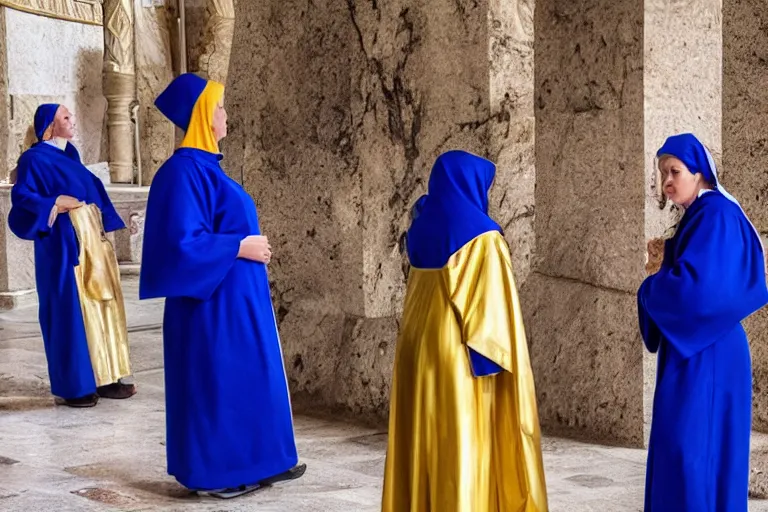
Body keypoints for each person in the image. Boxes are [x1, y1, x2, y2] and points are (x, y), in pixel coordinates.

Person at [139, 73, 305, 499]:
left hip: (238, 301)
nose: (225, 114)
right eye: (219, 107)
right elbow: (179, 244)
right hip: (210, 306)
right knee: (218, 384)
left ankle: (262, 461)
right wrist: (240, 246)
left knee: (248, 378)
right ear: (202, 114)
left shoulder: (209, 169)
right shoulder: (180, 173)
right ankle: (219, 473)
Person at [381, 150, 548, 511]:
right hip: (456, 352)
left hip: (416, 348)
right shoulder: (483, 237)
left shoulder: (419, 228)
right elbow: (493, 320)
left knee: (423, 441)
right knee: (460, 444)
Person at [639, 133, 768, 511]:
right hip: (698, 345)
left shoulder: (714, 214)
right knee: (689, 452)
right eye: (663, 172)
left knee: (692, 454)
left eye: (674, 171)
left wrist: (649, 287)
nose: (666, 181)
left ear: (699, 173)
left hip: (706, 352)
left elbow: (697, 290)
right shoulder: (703, 215)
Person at [7, 103, 136, 408]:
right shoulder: (33, 159)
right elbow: (22, 197)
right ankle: (76, 386)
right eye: (66, 117)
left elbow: (92, 191)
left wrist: (106, 222)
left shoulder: (71, 155)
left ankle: (106, 377)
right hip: (62, 244)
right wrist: (54, 202)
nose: (73, 121)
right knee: (69, 312)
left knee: (100, 304)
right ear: (49, 126)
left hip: (91, 238)